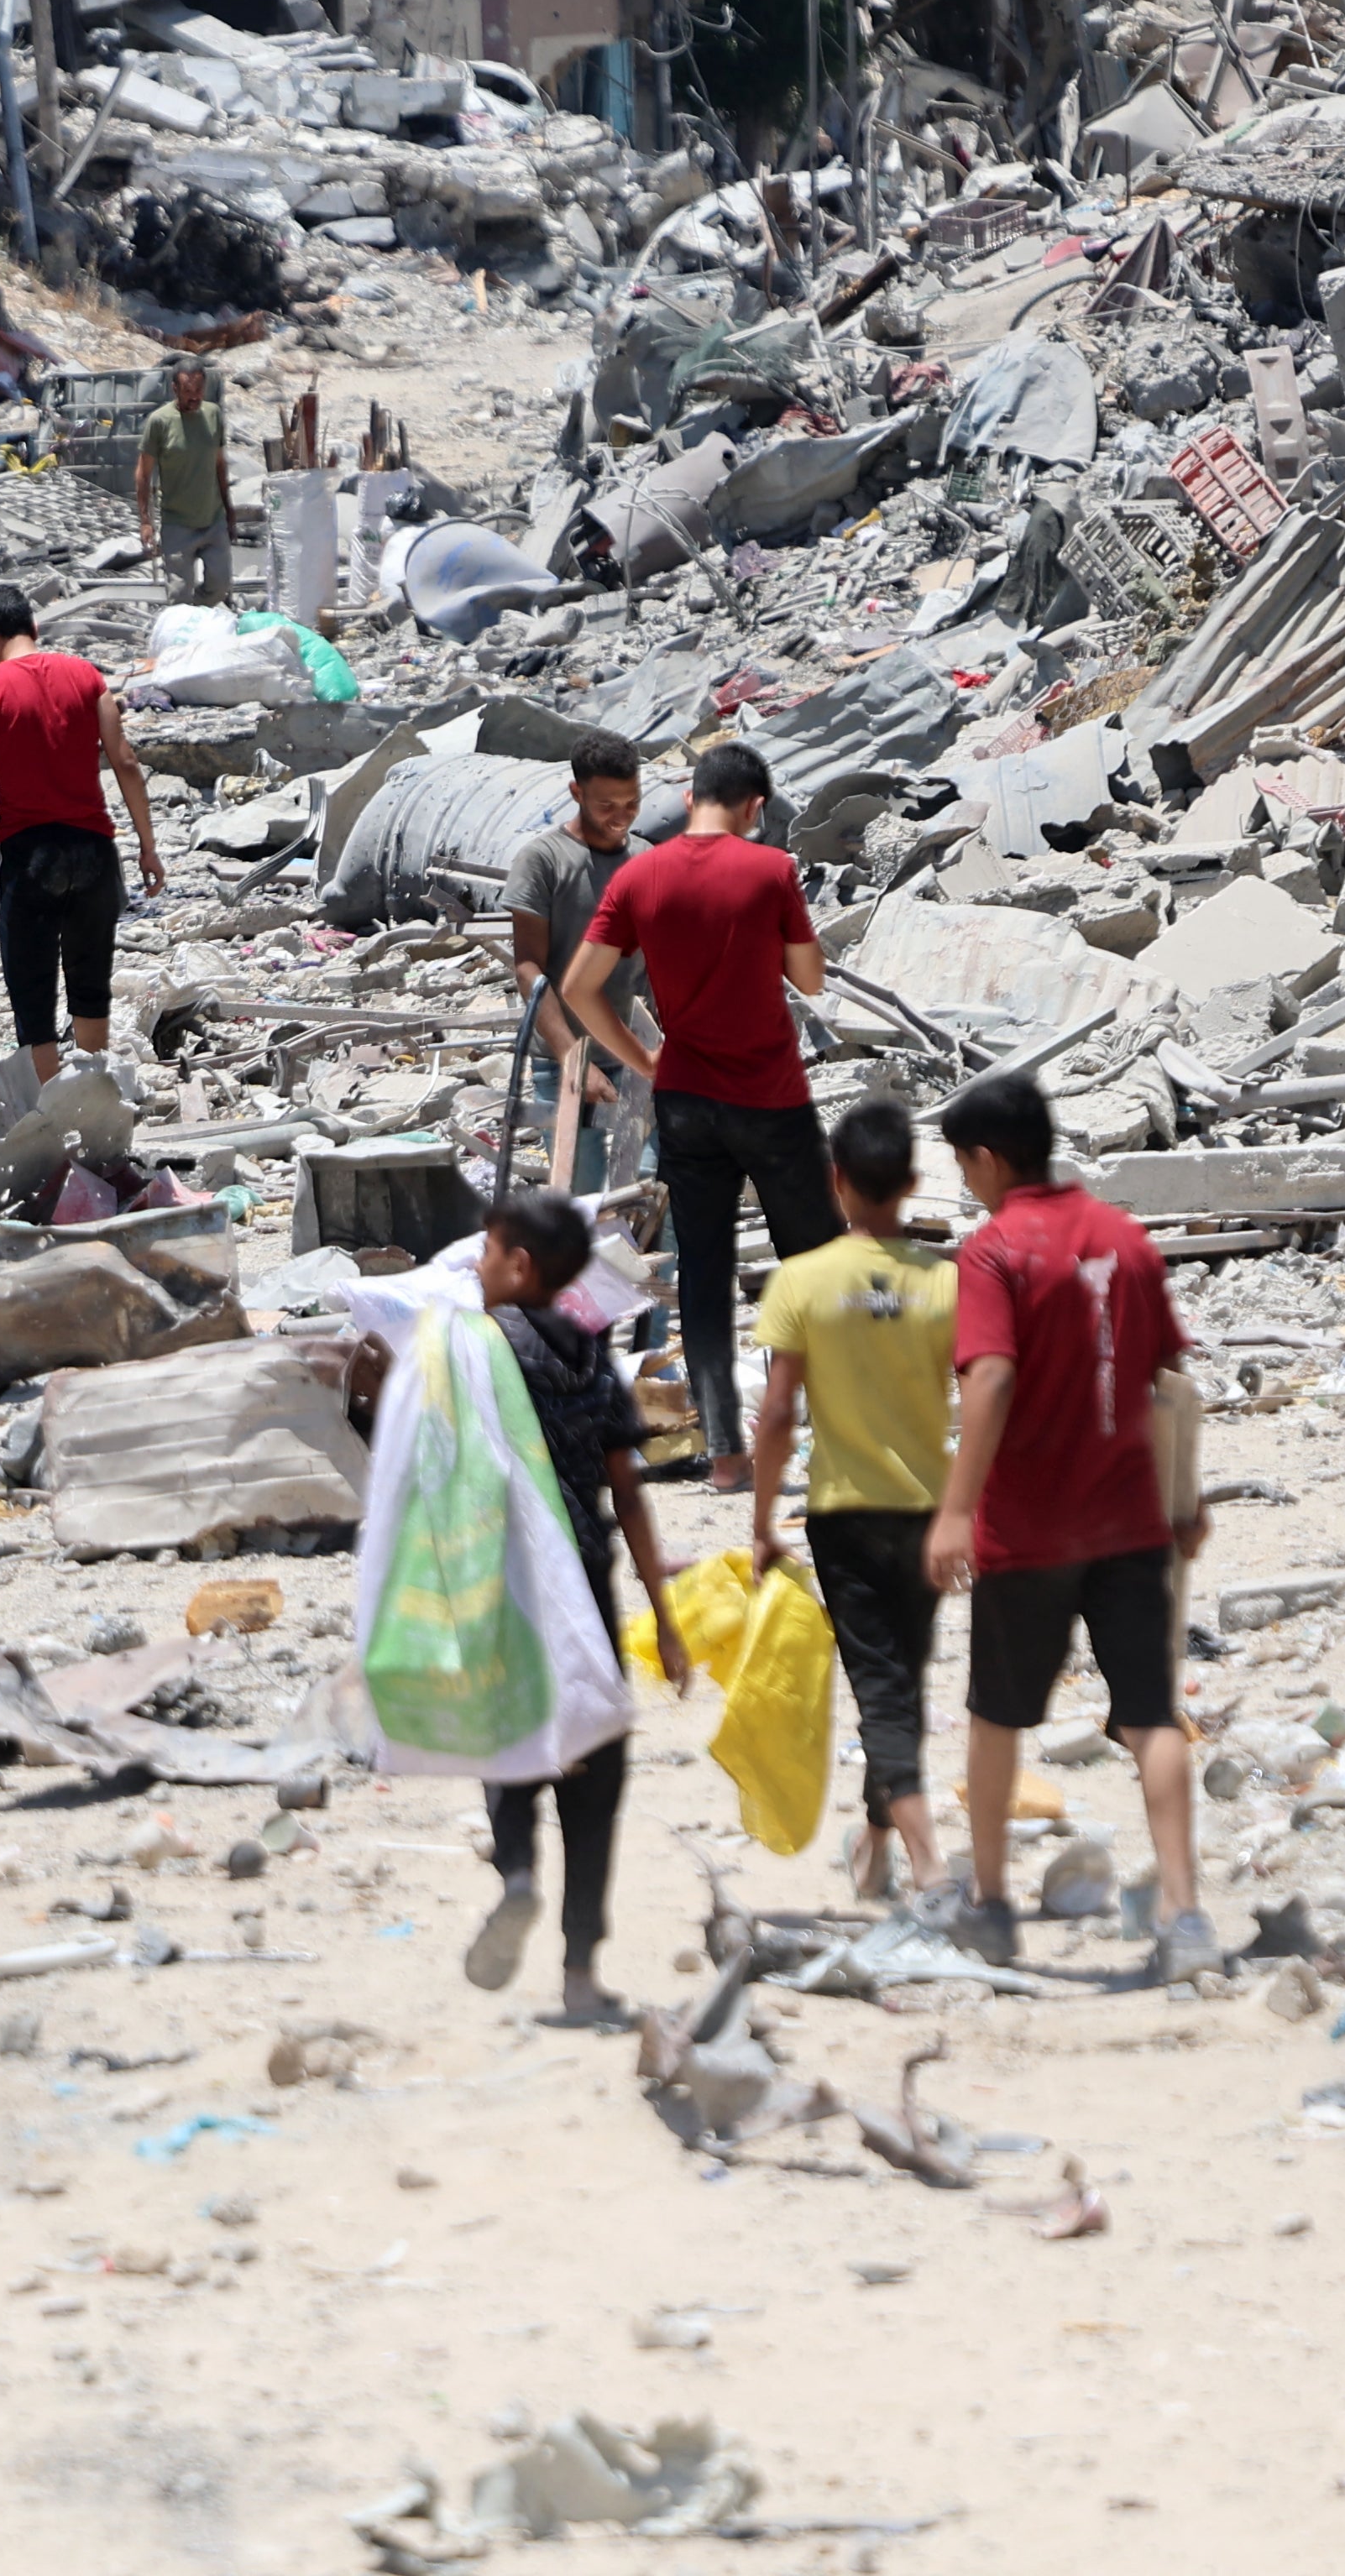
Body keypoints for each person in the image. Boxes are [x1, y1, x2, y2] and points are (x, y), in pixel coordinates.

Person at [924, 1067, 1214, 1984]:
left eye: (965, 1163)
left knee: (995, 1718)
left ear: (990, 1157)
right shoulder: (1124, 1238)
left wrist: (958, 1508)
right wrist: (1188, 1502)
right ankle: (1185, 1910)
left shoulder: (993, 1252)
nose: (966, 1180)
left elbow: (993, 1379)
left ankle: (992, 1906)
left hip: (1030, 1527)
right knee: (1150, 1718)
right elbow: (1171, 1382)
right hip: (1129, 1519)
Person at [561, 740, 840, 1485]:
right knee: (814, 1264)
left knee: (706, 1273)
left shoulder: (638, 874)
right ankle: (829, 1431)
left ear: (689, 800)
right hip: (771, 1097)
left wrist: (645, 1058)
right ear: (755, 809)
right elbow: (810, 979)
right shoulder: (771, 869)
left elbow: (580, 987)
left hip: (686, 1099)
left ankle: (726, 1455)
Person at [461, 1187, 689, 2026]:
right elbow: (628, 1492)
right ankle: (582, 1972)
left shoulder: (479, 1349)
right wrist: (665, 1621)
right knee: (596, 1777)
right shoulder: (595, 1351)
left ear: (519, 1265)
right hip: (587, 1582)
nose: (479, 1267)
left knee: (513, 1746)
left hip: (508, 1582)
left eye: (487, 1252)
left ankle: (518, 1870)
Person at [745, 1095, 958, 1901]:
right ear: (910, 1181)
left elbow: (775, 1416)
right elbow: (985, 1395)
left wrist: (763, 1521)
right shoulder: (948, 1282)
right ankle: (876, 1855)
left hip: (843, 1514)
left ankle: (929, 1865)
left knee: (883, 1691)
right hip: (930, 1514)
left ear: (836, 1182)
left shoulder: (800, 1280)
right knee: (900, 1682)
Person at [0, 582, 165, 1081]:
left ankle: (54, 1126)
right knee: (90, 989)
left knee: (34, 1001)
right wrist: (148, 848)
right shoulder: (88, 677)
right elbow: (126, 762)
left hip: (27, 857)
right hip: (93, 849)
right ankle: (95, 1111)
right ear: (35, 628)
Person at [503, 735, 646, 1194]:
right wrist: (573, 1059)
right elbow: (529, 968)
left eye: (632, 802)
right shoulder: (544, 861)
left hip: (638, 1058)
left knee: (651, 1190)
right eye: (607, 804)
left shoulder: (646, 861)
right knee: (582, 1204)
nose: (620, 816)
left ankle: (653, 1272)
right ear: (576, 793)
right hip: (563, 1063)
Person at [133, 362, 236, 605]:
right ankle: (183, 629)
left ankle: (197, 618)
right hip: (178, 524)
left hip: (213, 520)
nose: (194, 397)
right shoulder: (159, 422)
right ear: (174, 389)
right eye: (188, 390)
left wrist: (229, 510)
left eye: (199, 389)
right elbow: (143, 473)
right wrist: (146, 521)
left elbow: (220, 465)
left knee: (220, 586)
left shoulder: (213, 415)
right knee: (178, 595)